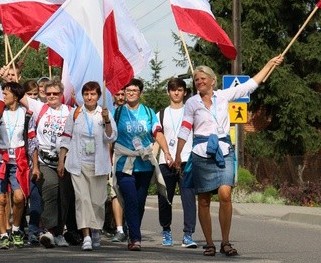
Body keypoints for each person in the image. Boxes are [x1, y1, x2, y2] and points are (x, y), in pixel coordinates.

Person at [175, 55, 283, 257]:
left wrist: (269, 64)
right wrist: (178, 154)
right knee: (204, 199)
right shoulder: (191, 103)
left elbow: (251, 85)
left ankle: (225, 241)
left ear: (212, 80)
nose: (199, 82)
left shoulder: (224, 96)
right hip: (200, 153)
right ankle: (209, 243)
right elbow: (185, 128)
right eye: (196, 80)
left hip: (223, 151)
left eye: (202, 79)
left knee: (225, 193)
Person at [112, 78, 171, 251]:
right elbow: (109, 137)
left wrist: (166, 151)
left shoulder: (148, 112)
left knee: (139, 202)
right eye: (128, 90)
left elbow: (157, 133)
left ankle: (132, 230)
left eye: (134, 90)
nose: (130, 93)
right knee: (130, 199)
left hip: (144, 164)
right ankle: (135, 239)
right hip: (124, 163)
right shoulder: (117, 113)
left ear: (140, 93)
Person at [58, 82, 117, 251]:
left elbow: (111, 137)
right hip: (78, 163)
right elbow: (66, 137)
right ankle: (86, 236)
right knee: (82, 200)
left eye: (93, 94)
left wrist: (106, 120)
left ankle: (97, 230)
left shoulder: (104, 113)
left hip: (99, 164)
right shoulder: (76, 113)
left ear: (98, 96)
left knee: (97, 201)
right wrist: (62, 160)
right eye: (86, 94)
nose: (89, 97)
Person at [20, 78, 73, 248]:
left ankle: (58, 233)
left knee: (63, 197)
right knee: (51, 188)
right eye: (48, 93)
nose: (51, 96)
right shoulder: (39, 108)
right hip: (43, 160)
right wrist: (9, 77)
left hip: (65, 161)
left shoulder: (70, 111)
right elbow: (20, 94)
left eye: (55, 93)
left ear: (61, 94)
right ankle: (49, 231)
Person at [0, 82, 39, 250]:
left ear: (15, 96)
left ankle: (16, 230)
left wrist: (36, 166)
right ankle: (3, 235)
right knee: (0, 199)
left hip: (18, 161)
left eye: (6, 93)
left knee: (19, 197)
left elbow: (32, 141)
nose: (3, 96)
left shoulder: (27, 115)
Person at [156, 78, 197, 248]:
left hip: (187, 160)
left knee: (188, 199)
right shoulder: (161, 114)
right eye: (173, 90)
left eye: (180, 90)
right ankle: (166, 230)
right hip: (166, 161)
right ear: (168, 92)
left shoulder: (192, 112)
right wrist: (164, 154)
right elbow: (158, 136)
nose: (176, 93)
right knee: (165, 198)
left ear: (185, 92)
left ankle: (188, 234)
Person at [108, 89, 127, 242]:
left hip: (133, 159)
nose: (121, 97)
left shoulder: (135, 112)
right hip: (115, 157)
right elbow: (108, 139)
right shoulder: (110, 112)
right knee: (115, 192)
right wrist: (109, 158)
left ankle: (129, 225)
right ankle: (119, 228)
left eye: (123, 94)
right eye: (118, 94)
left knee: (130, 194)